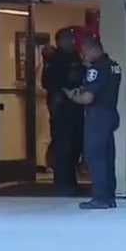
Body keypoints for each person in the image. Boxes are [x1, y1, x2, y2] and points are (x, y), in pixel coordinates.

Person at [63, 35, 121, 209]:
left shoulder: (95, 69)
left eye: (86, 53)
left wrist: (72, 96)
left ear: (95, 50)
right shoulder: (114, 66)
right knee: (108, 157)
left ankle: (100, 197)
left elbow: (88, 98)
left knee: (95, 158)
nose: (84, 57)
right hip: (111, 113)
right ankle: (109, 196)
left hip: (97, 116)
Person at [41, 28, 85, 195]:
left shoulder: (75, 56)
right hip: (61, 109)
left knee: (76, 145)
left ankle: (71, 181)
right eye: (68, 39)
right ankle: (62, 183)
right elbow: (48, 82)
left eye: (72, 39)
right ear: (59, 41)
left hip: (76, 107)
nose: (71, 42)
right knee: (63, 145)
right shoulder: (54, 59)